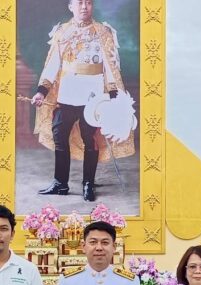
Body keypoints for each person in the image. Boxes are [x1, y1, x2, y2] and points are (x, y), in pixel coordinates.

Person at [31, 0, 134, 202]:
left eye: (88, 2)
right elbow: (52, 65)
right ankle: (60, 183)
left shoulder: (103, 32)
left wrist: (113, 95)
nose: (84, 6)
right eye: (80, 2)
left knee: (90, 140)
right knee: (60, 137)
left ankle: (88, 183)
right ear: (71, 6)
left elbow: (110, 67)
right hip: (66, 95)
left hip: (92, 99)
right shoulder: (62, 32)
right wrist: (42, 92)